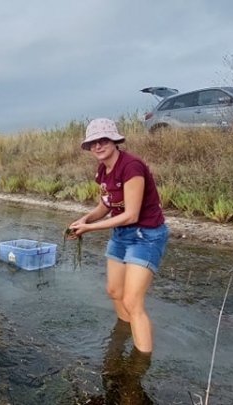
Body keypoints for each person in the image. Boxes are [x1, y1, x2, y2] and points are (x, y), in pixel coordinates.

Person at [66, 118, 169, 354]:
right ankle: (126, 331)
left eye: (103, 140)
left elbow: (131, 215)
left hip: (146, 235)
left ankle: (140, 364)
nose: (98, 146)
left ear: (114, 140)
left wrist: (90, 229)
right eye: (93, 142)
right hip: (121, 234)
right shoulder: (103, 169)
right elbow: (106, 206)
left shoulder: (131, 166)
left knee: (133, 302)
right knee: (114, 292)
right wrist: (84, 220)